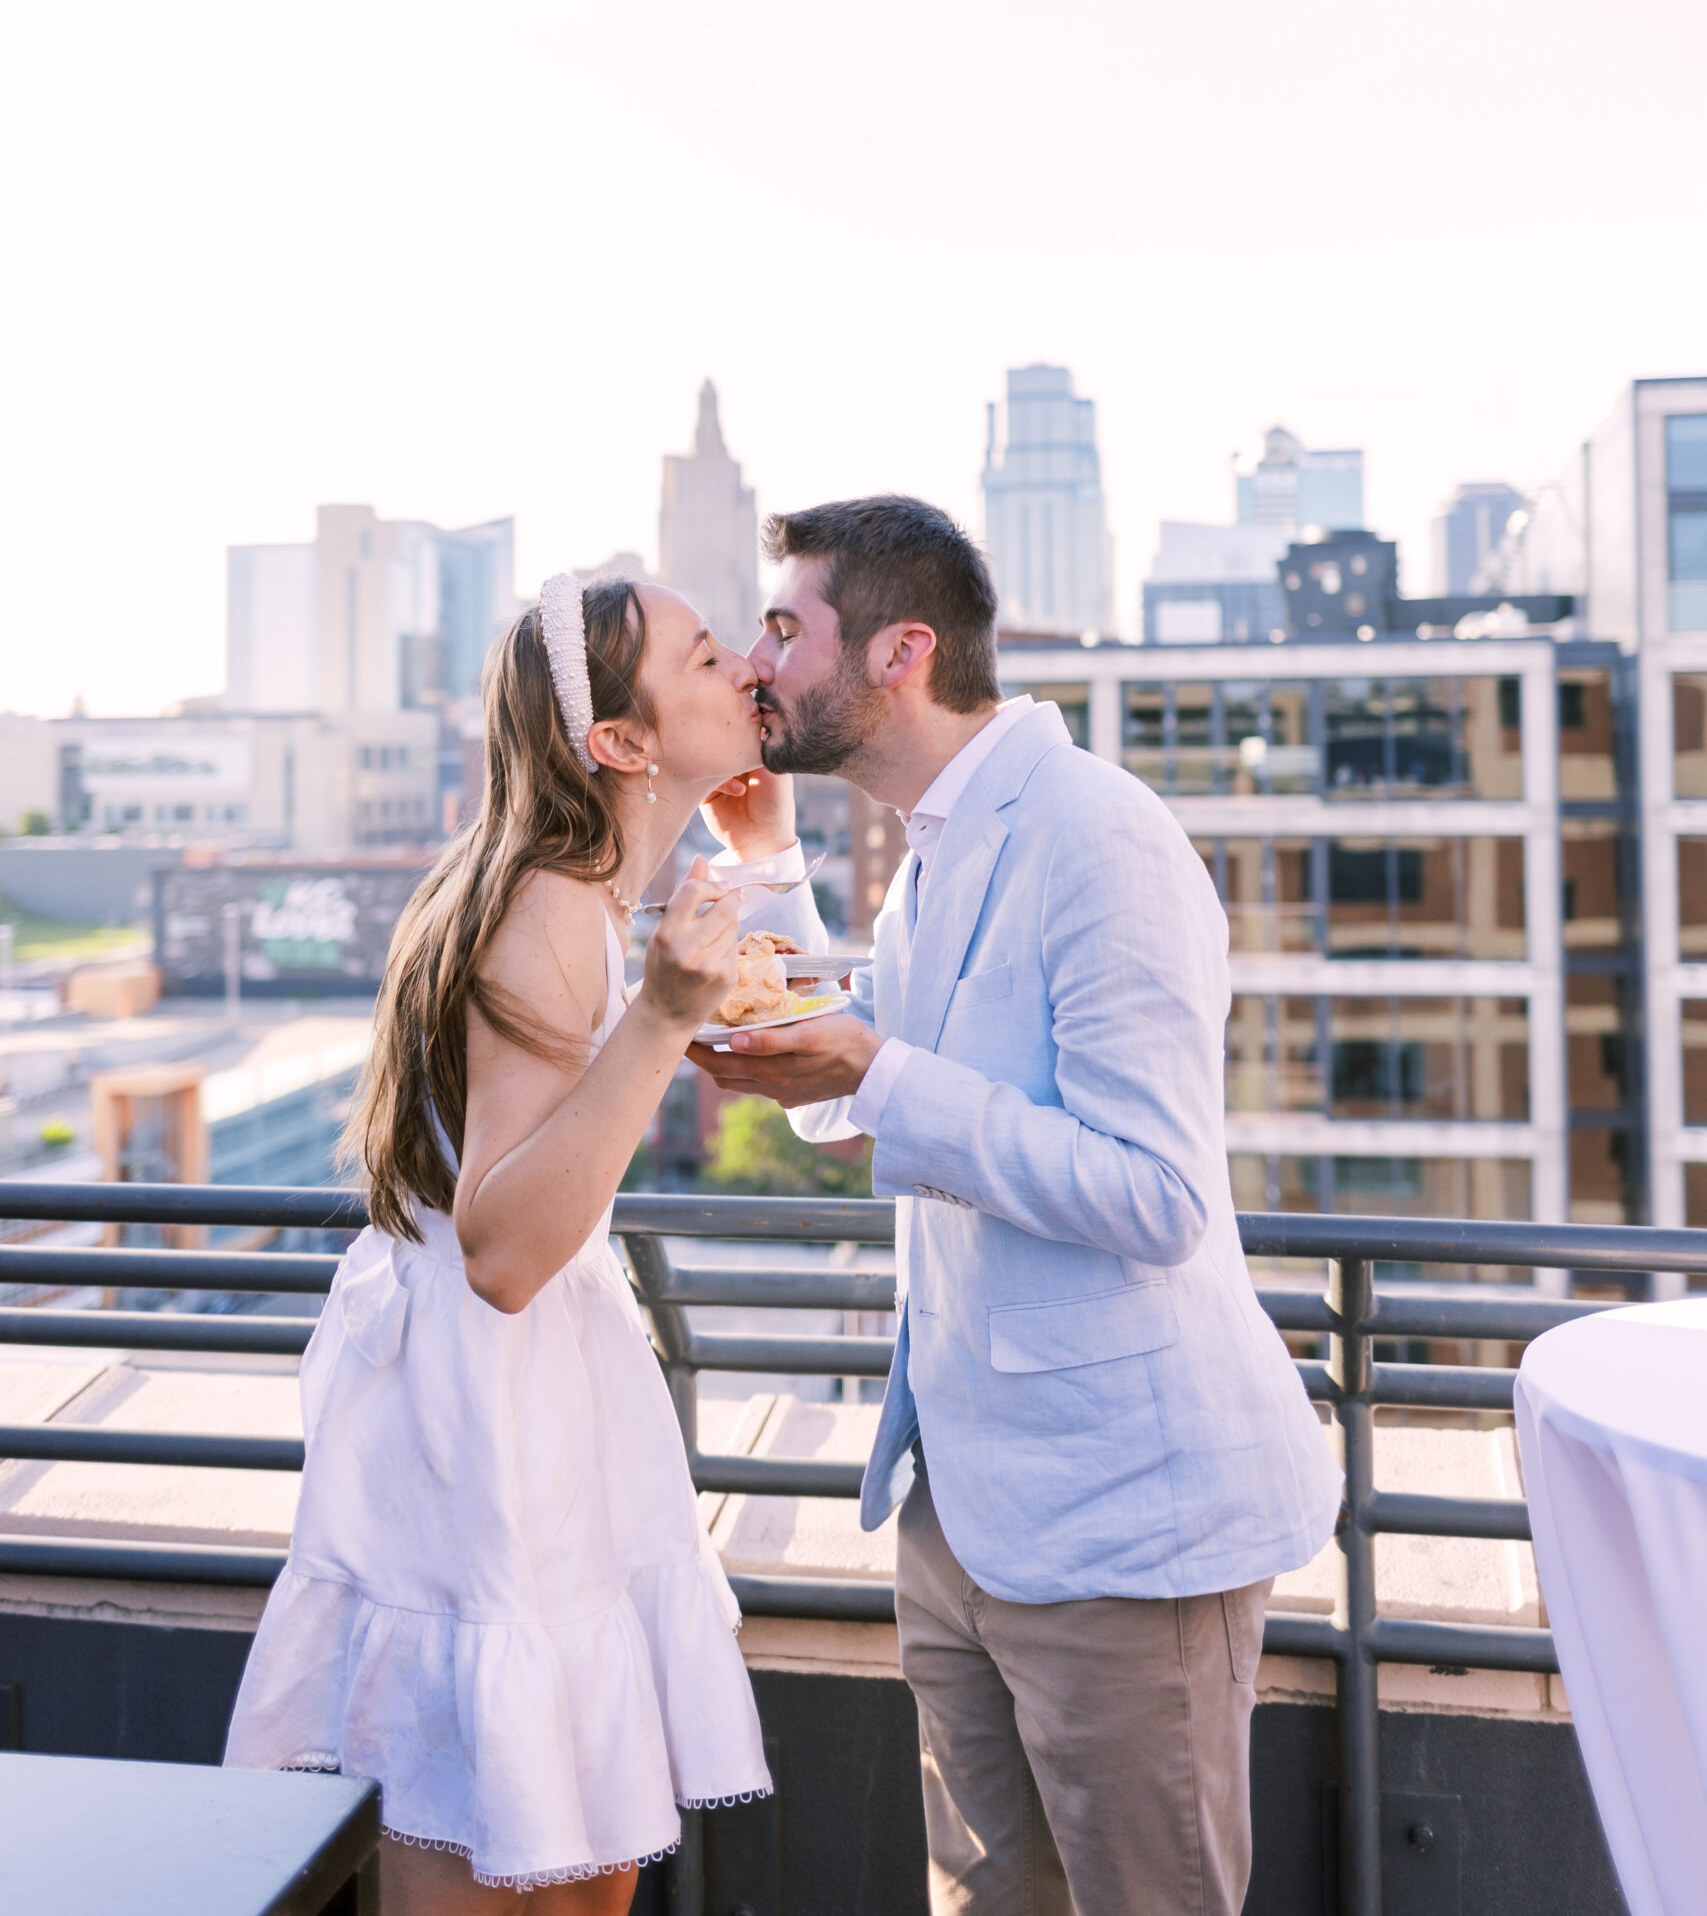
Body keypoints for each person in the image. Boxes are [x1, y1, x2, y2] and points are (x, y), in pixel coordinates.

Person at [695, 497, 1342, 1916]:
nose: (754, 659)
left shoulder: (1097, 838)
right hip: (965, 1515)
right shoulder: (938, 849)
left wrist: (882, 1068)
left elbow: (1159, 1196)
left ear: (899, 651)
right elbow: (857, 1083)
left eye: (786, 625)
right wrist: (771, 870)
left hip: (1123, 1534)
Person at [225, 573, 818, 1912]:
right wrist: (660, 1021)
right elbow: (499, 1249)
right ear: (621, 742)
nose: (743, 673)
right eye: (709, 656)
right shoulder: (552, 905)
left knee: (567, 1842)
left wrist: (761, 866)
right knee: (529, 1856)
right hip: (497, 1432)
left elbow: (792, 1048)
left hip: (520, 1417)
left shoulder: (572, 888)